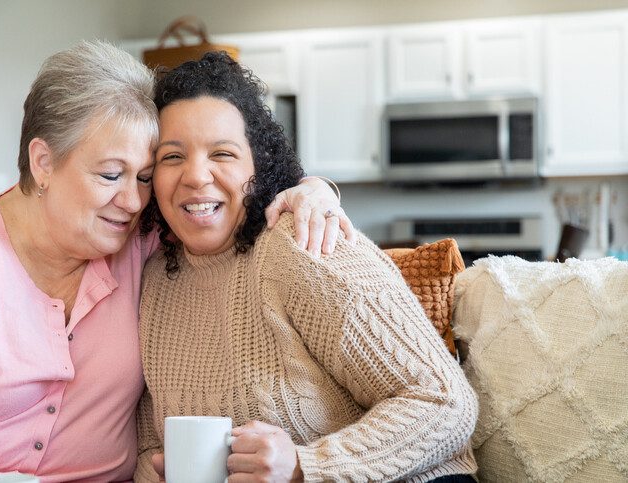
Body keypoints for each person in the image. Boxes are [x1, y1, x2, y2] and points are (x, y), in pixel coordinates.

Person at [0, 40, 354, 482]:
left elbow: (225, 200)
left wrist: (315, 189)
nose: (131, 201)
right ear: (43, 162)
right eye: (109, 174)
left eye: (144, 177)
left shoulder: (139, 239)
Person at [136, 51, 479, 483]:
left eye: (222, 153)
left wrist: (305, 466)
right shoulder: (155, 282)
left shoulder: (301, 244)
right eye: (171, 157)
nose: (195, 176)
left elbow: (444, 403)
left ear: (257, 169)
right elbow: (151, 444)